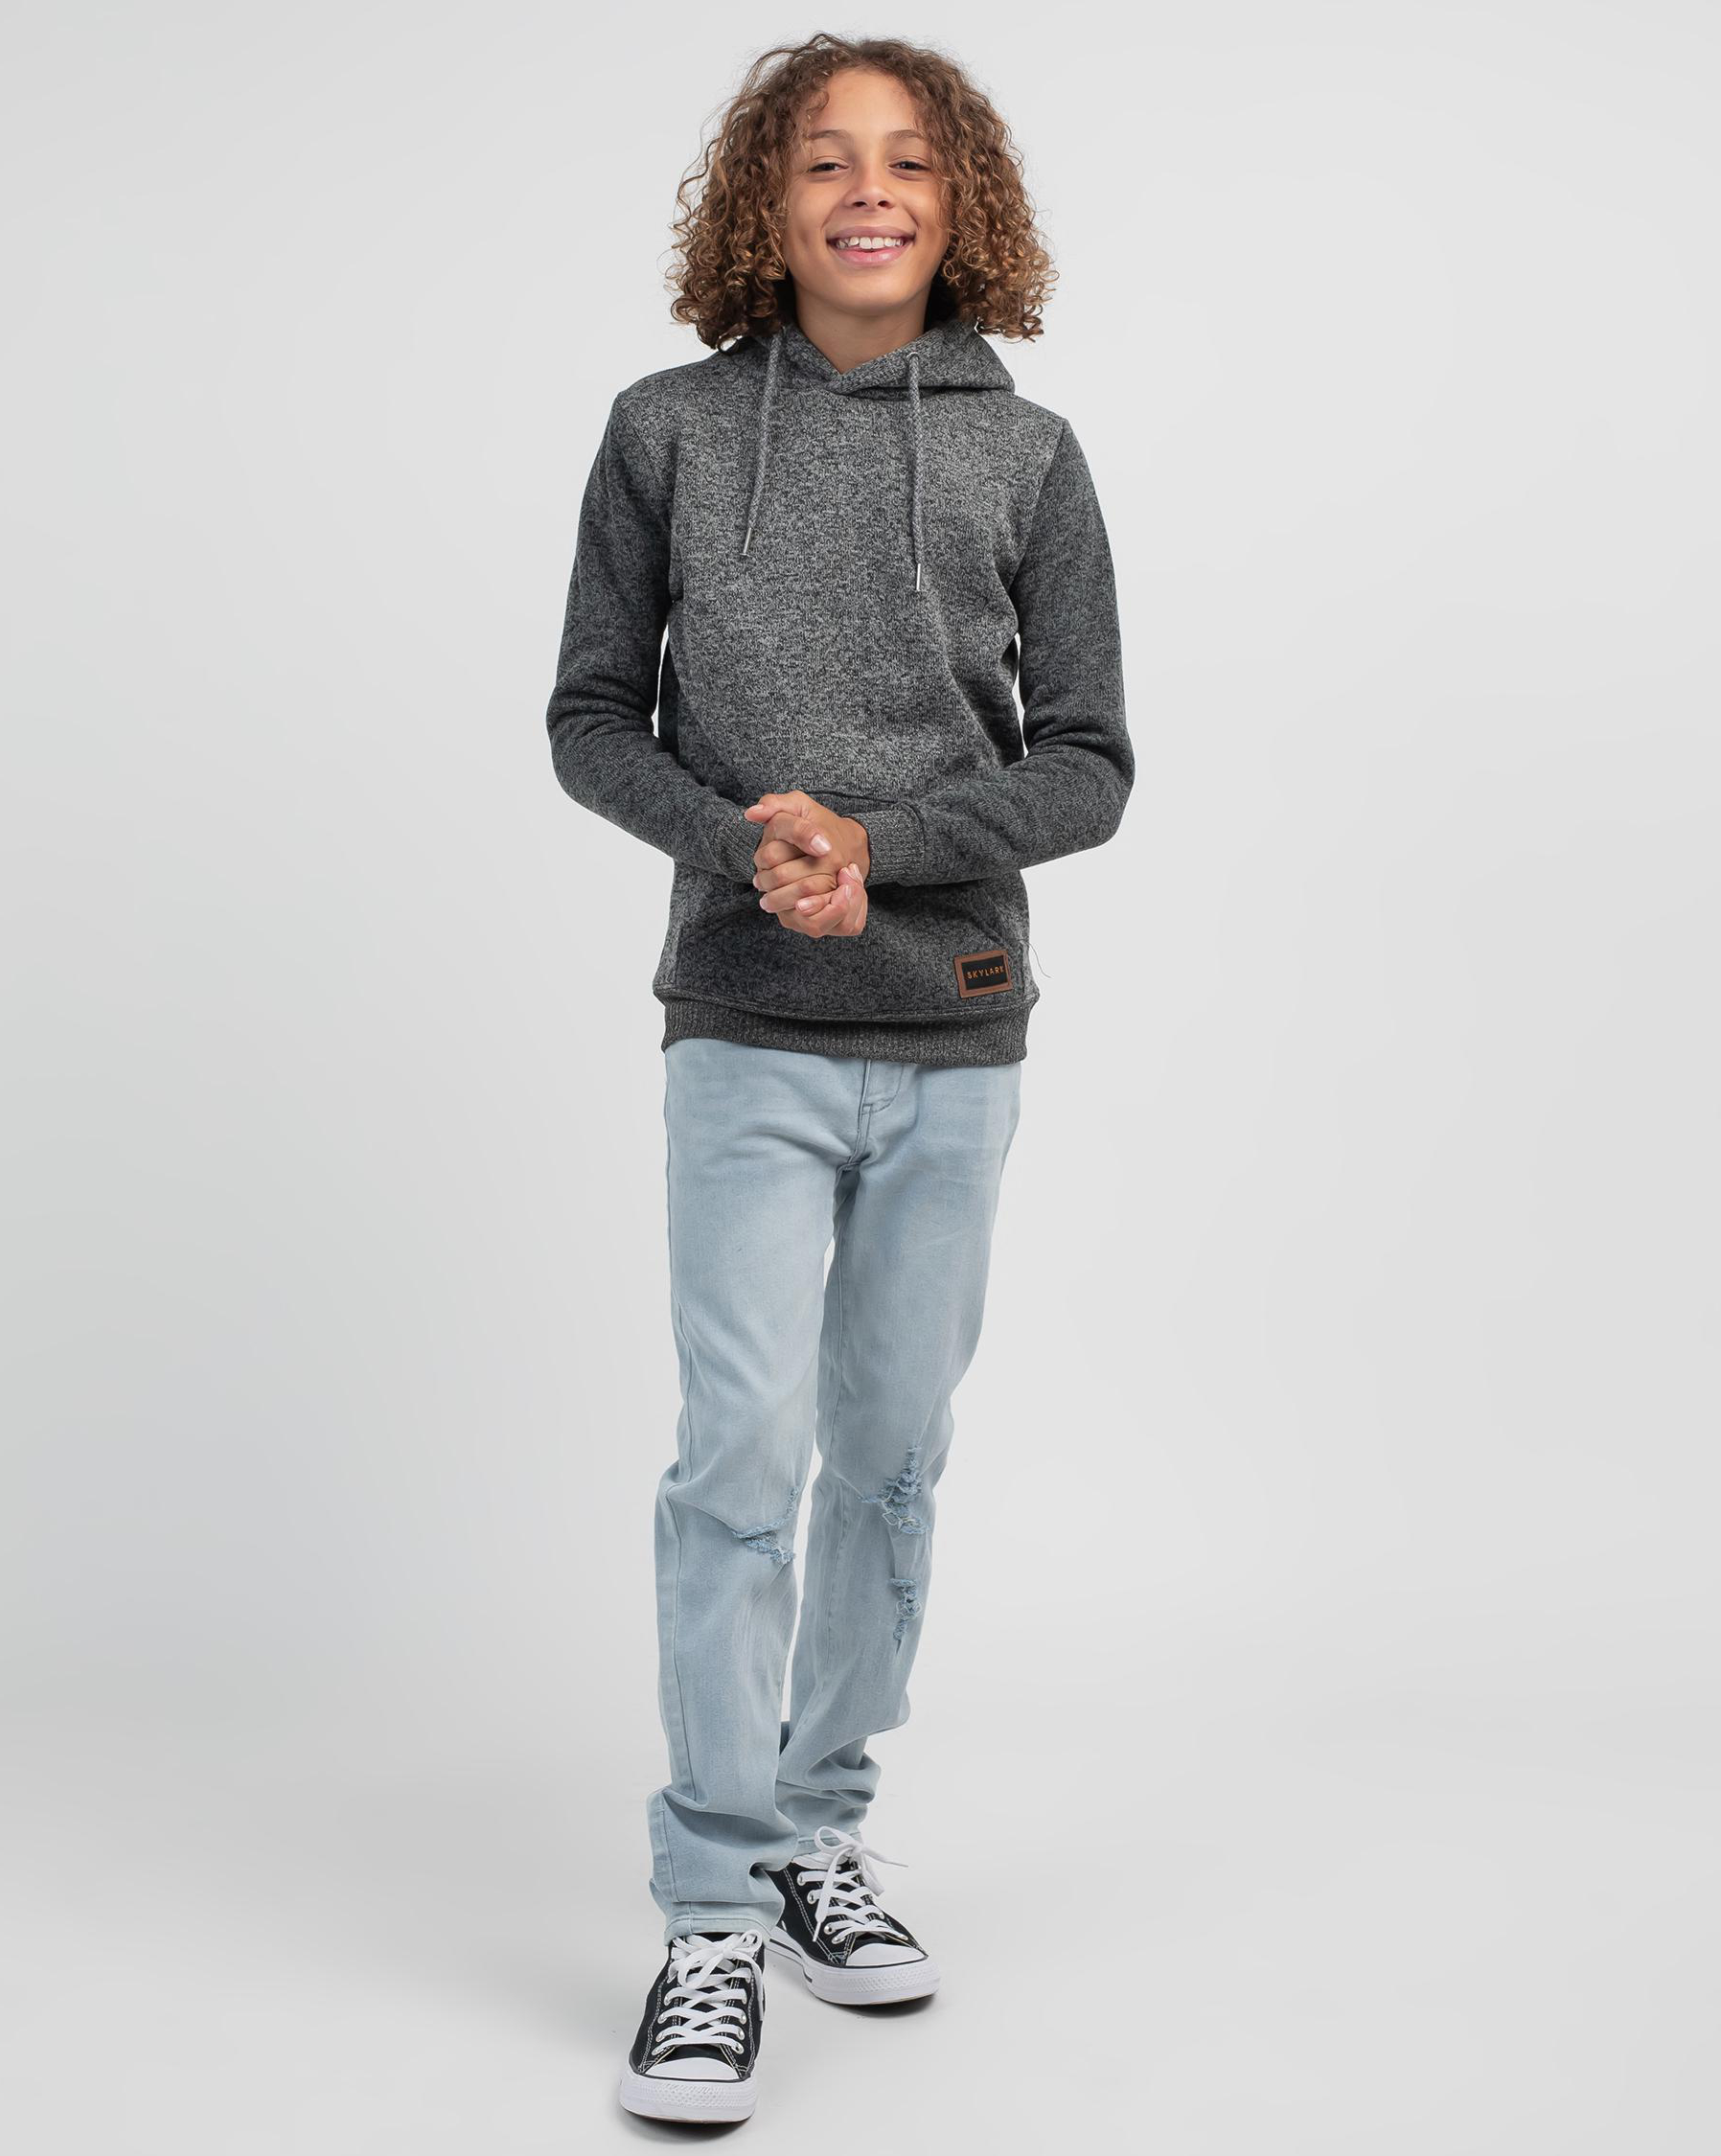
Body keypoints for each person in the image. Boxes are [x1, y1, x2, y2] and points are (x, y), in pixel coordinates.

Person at [544, 34, 1133, 2126]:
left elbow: (1092, 764)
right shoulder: (668, 431)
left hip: (956, 1027)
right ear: (763, 202)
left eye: (907, 161)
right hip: (743, 1027)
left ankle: (816, 1831)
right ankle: (710, 1913)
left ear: (960, 204)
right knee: (739, 1456)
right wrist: (749, 844)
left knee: (883, 1466)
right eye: (822, 160)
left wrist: (884, 844)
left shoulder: (1029, 454)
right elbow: (591, 716)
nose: (866, 191)